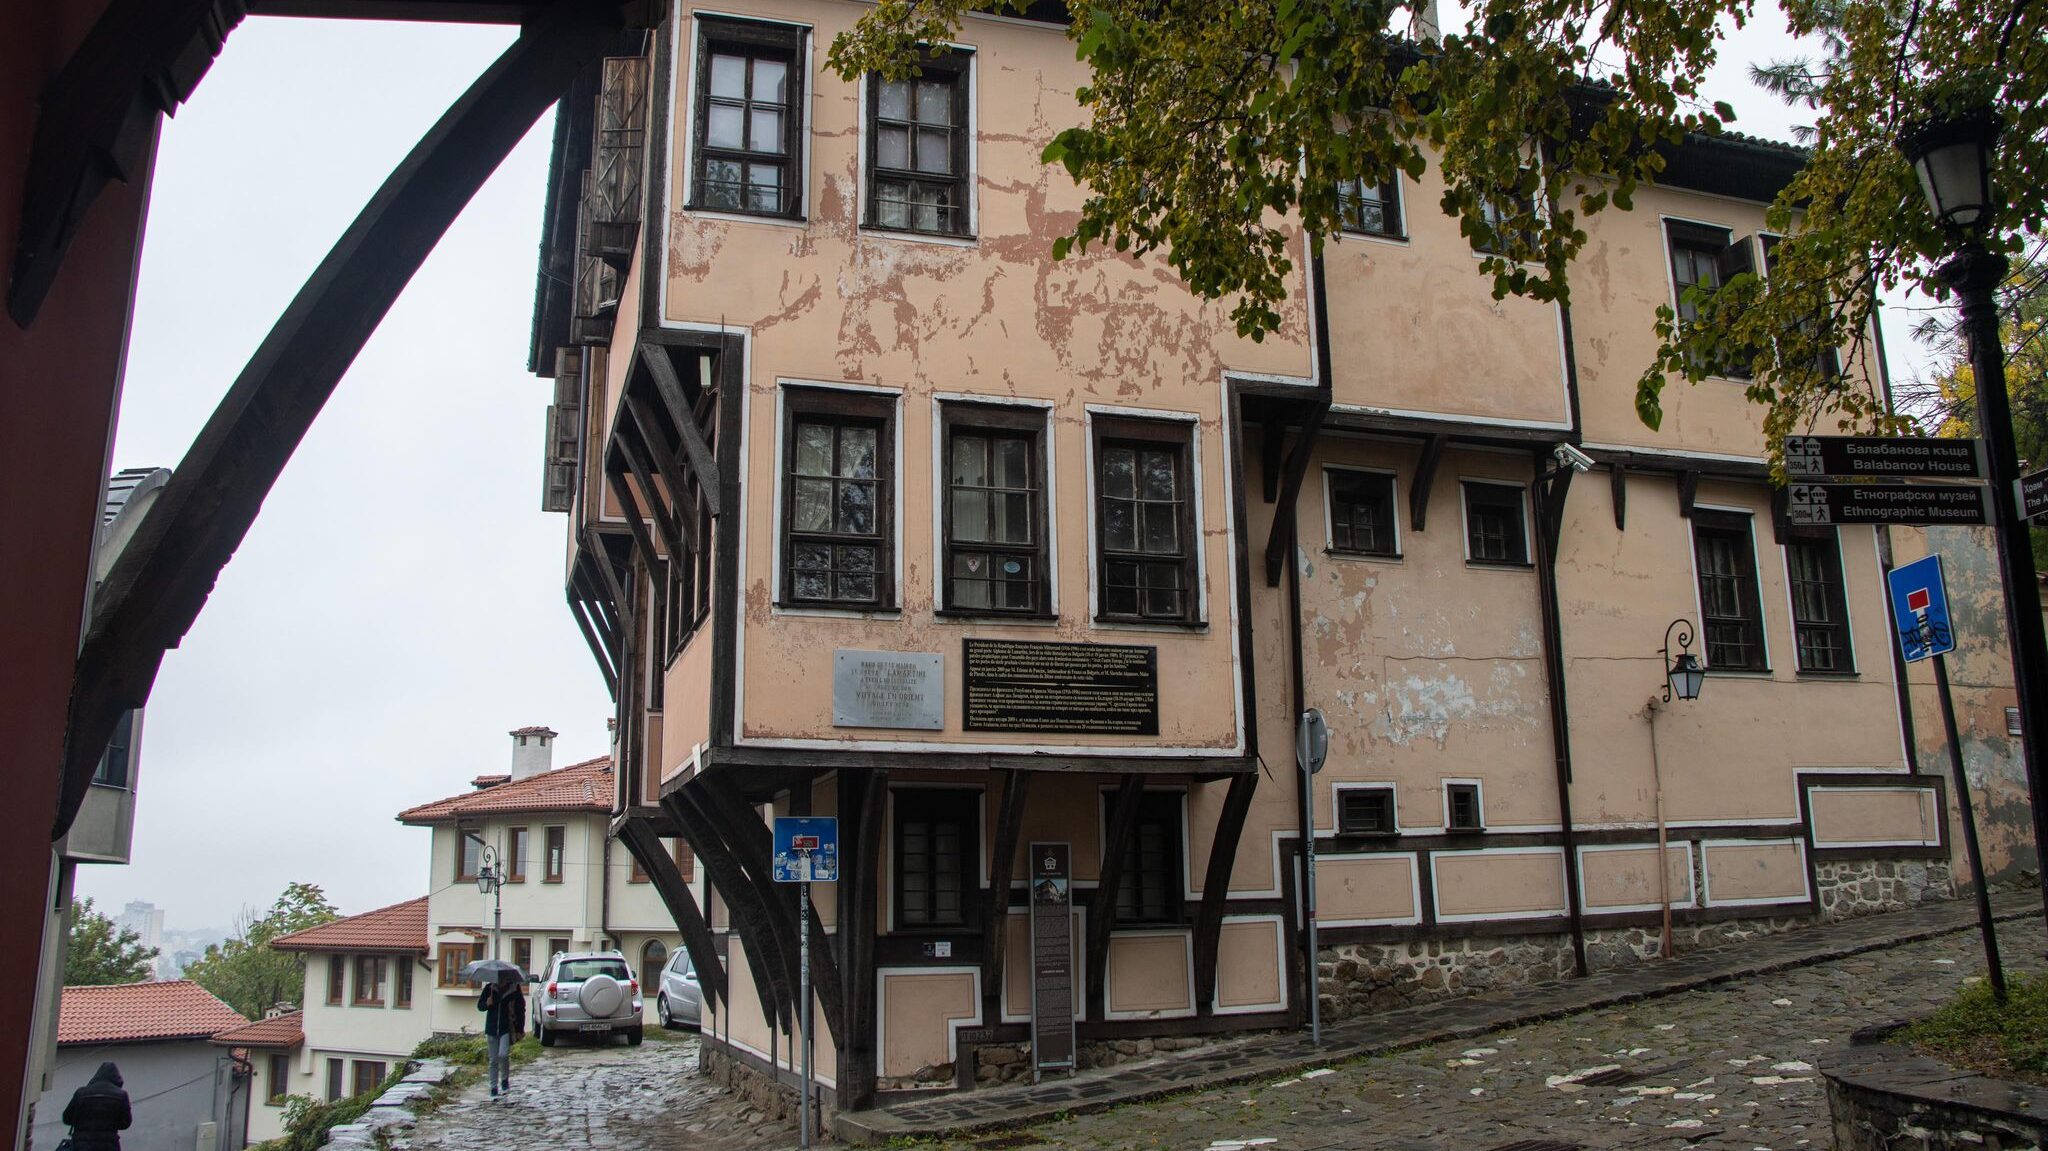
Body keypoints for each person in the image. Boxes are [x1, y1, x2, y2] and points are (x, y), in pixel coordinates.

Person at [477, 970, 526, 1099]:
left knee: (503, 1054)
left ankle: (504, 1079)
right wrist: (487, 1004)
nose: (500, 981)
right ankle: (493, 1087)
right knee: (493, 1060)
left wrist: (520, 1028)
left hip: (506, 1028)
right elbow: (480, 1006)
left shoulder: (514, 990)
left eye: (503, 979)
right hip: (492, 1028)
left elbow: (521, 1009)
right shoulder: (489, 989)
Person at [62, 1062, 131, 1151]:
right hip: (109, 1145)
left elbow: (67, 1118)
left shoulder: (81, 1093)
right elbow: (125, 1123)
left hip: (82, 1145)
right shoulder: (121, 1095)